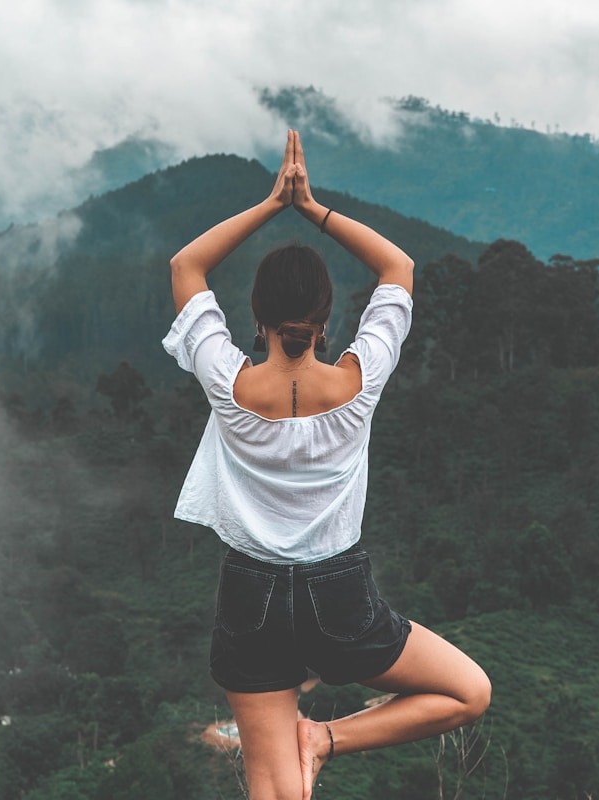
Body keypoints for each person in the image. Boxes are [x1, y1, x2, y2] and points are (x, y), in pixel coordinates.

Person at [163, 130, 491, 800]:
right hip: (339, 596)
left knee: (274, 791)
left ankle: (311, 742)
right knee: (468, 691)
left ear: (255, 316)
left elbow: (185, 268)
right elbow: (398, 267)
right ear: (326, 316)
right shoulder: (357, 381)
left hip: (250, 594)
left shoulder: (229, 385)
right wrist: (312, 207)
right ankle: (327, 738)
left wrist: (269, 204)